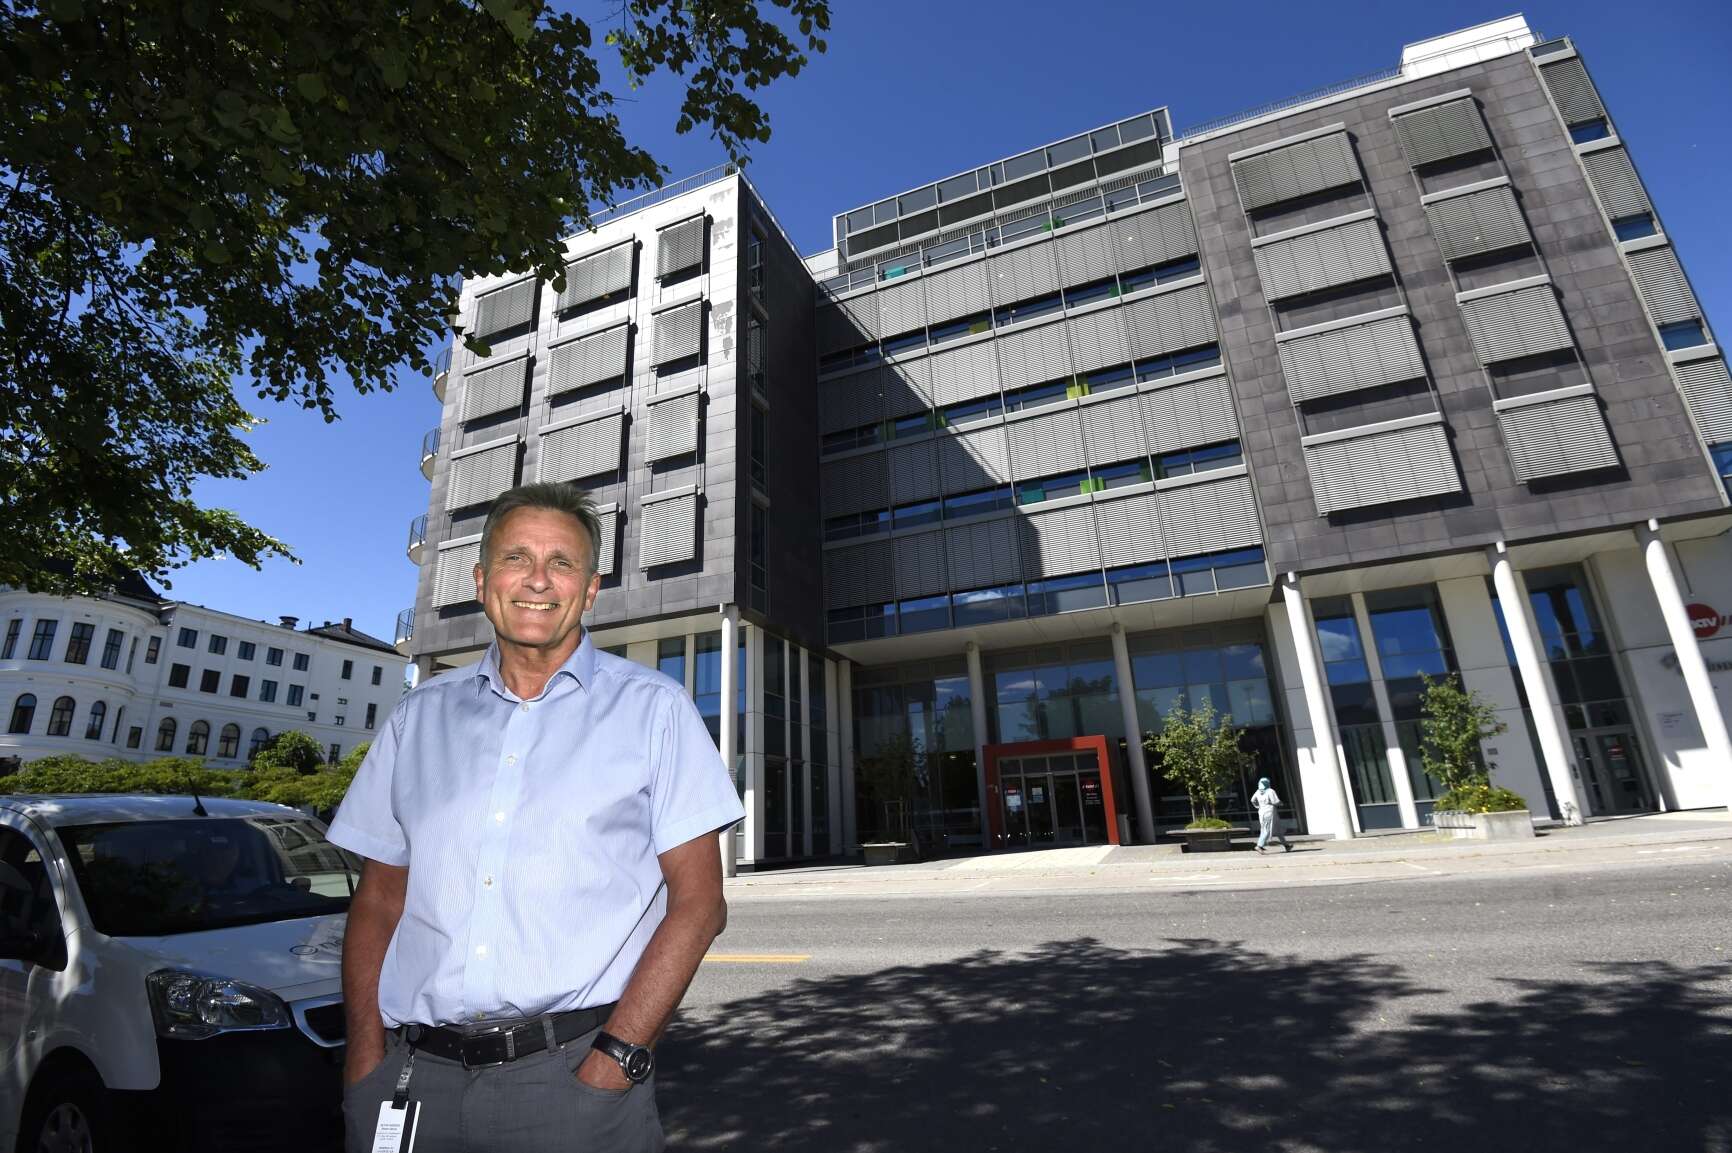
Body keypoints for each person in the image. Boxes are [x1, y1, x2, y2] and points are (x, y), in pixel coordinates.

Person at [327, 483, 745, 1153]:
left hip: (574, 1085)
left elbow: (699, 904)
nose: (538, 580)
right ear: (482, 580)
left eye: (562, 562)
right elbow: (378, 900)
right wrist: (363, 1057)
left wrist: (618, 1058)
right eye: (516, 557)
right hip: (411, 1080)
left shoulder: (656, 710)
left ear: (591, 589)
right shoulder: (417, 718)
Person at [1251, 777, 1291, 853]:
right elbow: (1275, 801)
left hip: (1262, 812)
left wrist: (1257, 806)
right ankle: (1259, 846)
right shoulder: (1270, 791)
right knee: (1266, 829)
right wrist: (1281, 803)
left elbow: (1252, 800)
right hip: (1269, 812)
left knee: (1277, 830)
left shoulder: (1258, 791)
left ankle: (1286, 846)